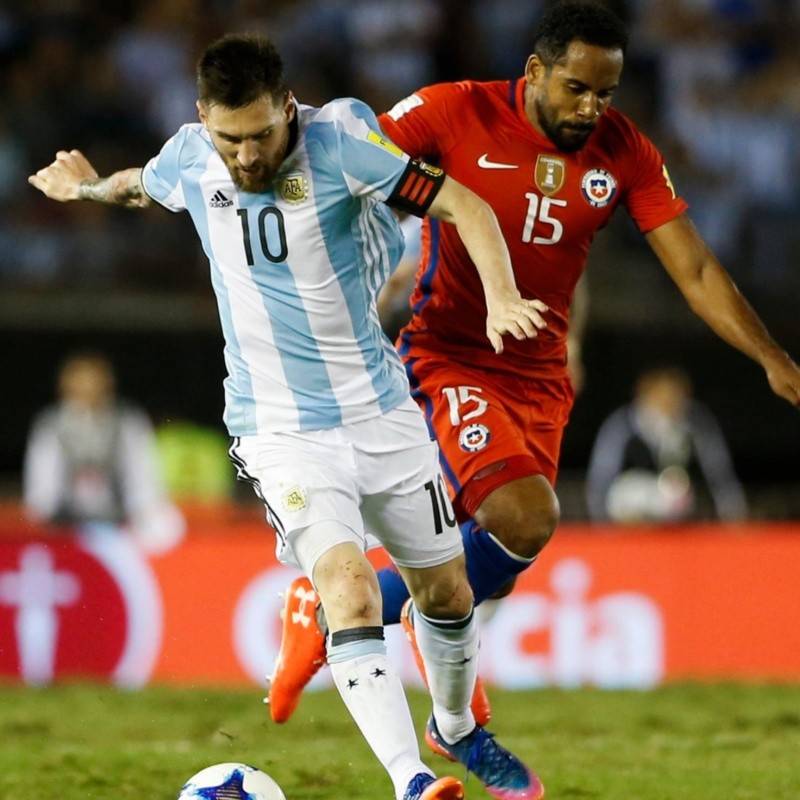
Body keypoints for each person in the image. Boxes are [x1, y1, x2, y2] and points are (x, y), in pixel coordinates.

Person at [29, 33, 547, 800]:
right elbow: (145, 186)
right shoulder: (192, 155)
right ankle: (410, 782)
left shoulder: (343, 148)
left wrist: (501, 294)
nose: (245, 157)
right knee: (350, 589)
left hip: (381, 410)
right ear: (203, 117)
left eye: (261, 135)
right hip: (281, 430)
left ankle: (457, 729)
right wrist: (88, 188)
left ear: (288, 109)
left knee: (447, 594)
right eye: (229, 138)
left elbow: (462, 203)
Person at [267, 0, 800, 735]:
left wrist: (771, 357)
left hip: (539, 374)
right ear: (536, 71)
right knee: (523, 515)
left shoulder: (625, 151)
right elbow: (350, 163)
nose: (591, 108)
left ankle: (331, 607)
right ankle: (348, 619)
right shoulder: (455, 111)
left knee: (504, 551)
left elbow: (697, 269)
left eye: (606, 92)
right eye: (577, 88)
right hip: (449, 350)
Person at [22, 350, 185, 553]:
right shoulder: (50, 425)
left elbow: (145, 481)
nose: (88, 389)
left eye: (94, 382)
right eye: (80, 382)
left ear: (108, 384)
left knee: (167, 520)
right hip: (65, 521)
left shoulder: (128, 421)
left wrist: (139, 514)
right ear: (65, 386)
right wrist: (50, 517)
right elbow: (41, 489)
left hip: (121, 521)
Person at [585, 365, 748, 523]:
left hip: (679, 511)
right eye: (662, 397)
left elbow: (718, 470)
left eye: (675, 397)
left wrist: (732, 510)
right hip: (628, 508)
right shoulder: (623, 426)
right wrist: (600, 520)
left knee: (674, 492)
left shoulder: (695, 423)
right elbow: (601, 477)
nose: (669, 404)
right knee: (631, 492)